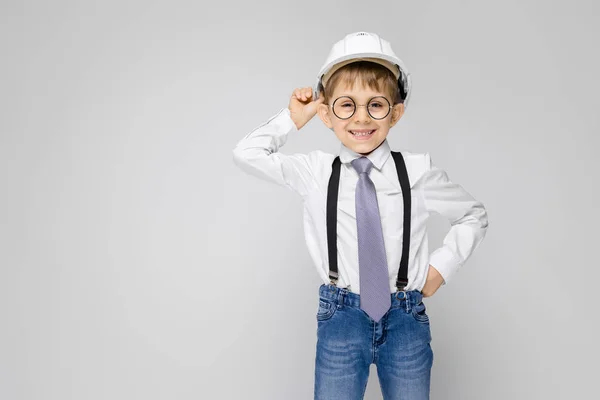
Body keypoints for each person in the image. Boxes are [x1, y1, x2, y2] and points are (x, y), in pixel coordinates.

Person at [232, 31, 489, 400]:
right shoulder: (317, 172)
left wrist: (441, 268)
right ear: (326, 114)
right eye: (346, 105)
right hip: (341, 316)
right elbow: (246, 153)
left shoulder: (416, 171)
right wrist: (293, 118)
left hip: (405, 318)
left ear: (396, 113)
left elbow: (472, 215)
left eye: (376, 105)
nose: (361, 118)